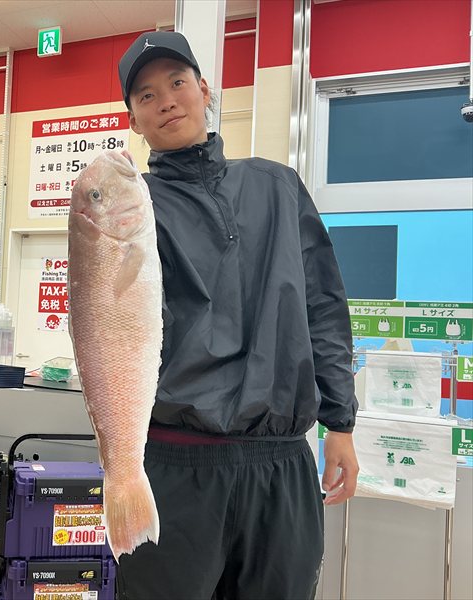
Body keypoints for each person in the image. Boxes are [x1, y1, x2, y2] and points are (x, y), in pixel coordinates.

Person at [115, 31, 359, 599]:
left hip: (280, 462)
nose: (166, 101)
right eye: (146, 95)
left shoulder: (278, 185)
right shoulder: (132, 207)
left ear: (204, 90)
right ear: (133, 120)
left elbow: (323, 305)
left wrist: (341, 423)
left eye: (177, 83)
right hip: (175, 461)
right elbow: (110, 326)